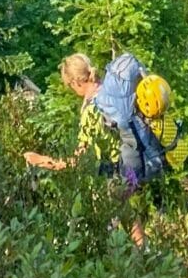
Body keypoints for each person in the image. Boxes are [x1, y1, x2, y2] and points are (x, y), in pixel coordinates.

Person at [26, 51, 167, 189]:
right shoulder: (112, 94)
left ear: (76, 83)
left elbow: (78, 160)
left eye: (70, 86)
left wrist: (42, 161)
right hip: (146, 163)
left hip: (120, 176)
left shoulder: (92, 110)